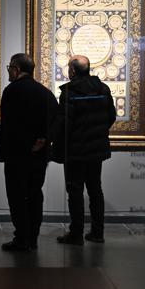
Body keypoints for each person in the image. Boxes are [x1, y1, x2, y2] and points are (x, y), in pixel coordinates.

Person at [50, 54, 117, 245]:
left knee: (75, 191)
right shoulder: (103, 89)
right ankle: (97, 232)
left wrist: (54, 143)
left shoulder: (70, 91)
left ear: (72, 70)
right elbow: (111, 116)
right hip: (96, 149)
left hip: (75, 150)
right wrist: (97, 133)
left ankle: (76, 233)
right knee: (95, 190)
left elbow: (65, 123)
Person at [0, 53, 58, 252]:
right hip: (39, 155)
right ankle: (33, 237)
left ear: (16, 69)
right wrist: (44, 140)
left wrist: (6, 152)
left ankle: (21, 237)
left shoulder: (11, 91)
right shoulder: (45, 92)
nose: (8, 72)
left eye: (9, 68)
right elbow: (56, 121)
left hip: (16, 154)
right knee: (34, 195)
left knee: (16, 197)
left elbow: (10, 126)